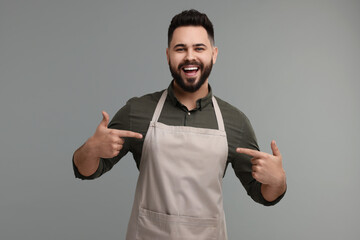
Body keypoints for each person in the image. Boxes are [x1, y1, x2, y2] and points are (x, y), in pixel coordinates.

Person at [73, 9, 287, 240]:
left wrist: (278, 181)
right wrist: (90, 149)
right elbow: (87, 170)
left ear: (214, 54)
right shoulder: (138, 111)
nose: (189, 57)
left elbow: (262, 193)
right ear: (168, 55)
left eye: (199, 48)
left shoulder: (235, 122)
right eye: (180, 48)